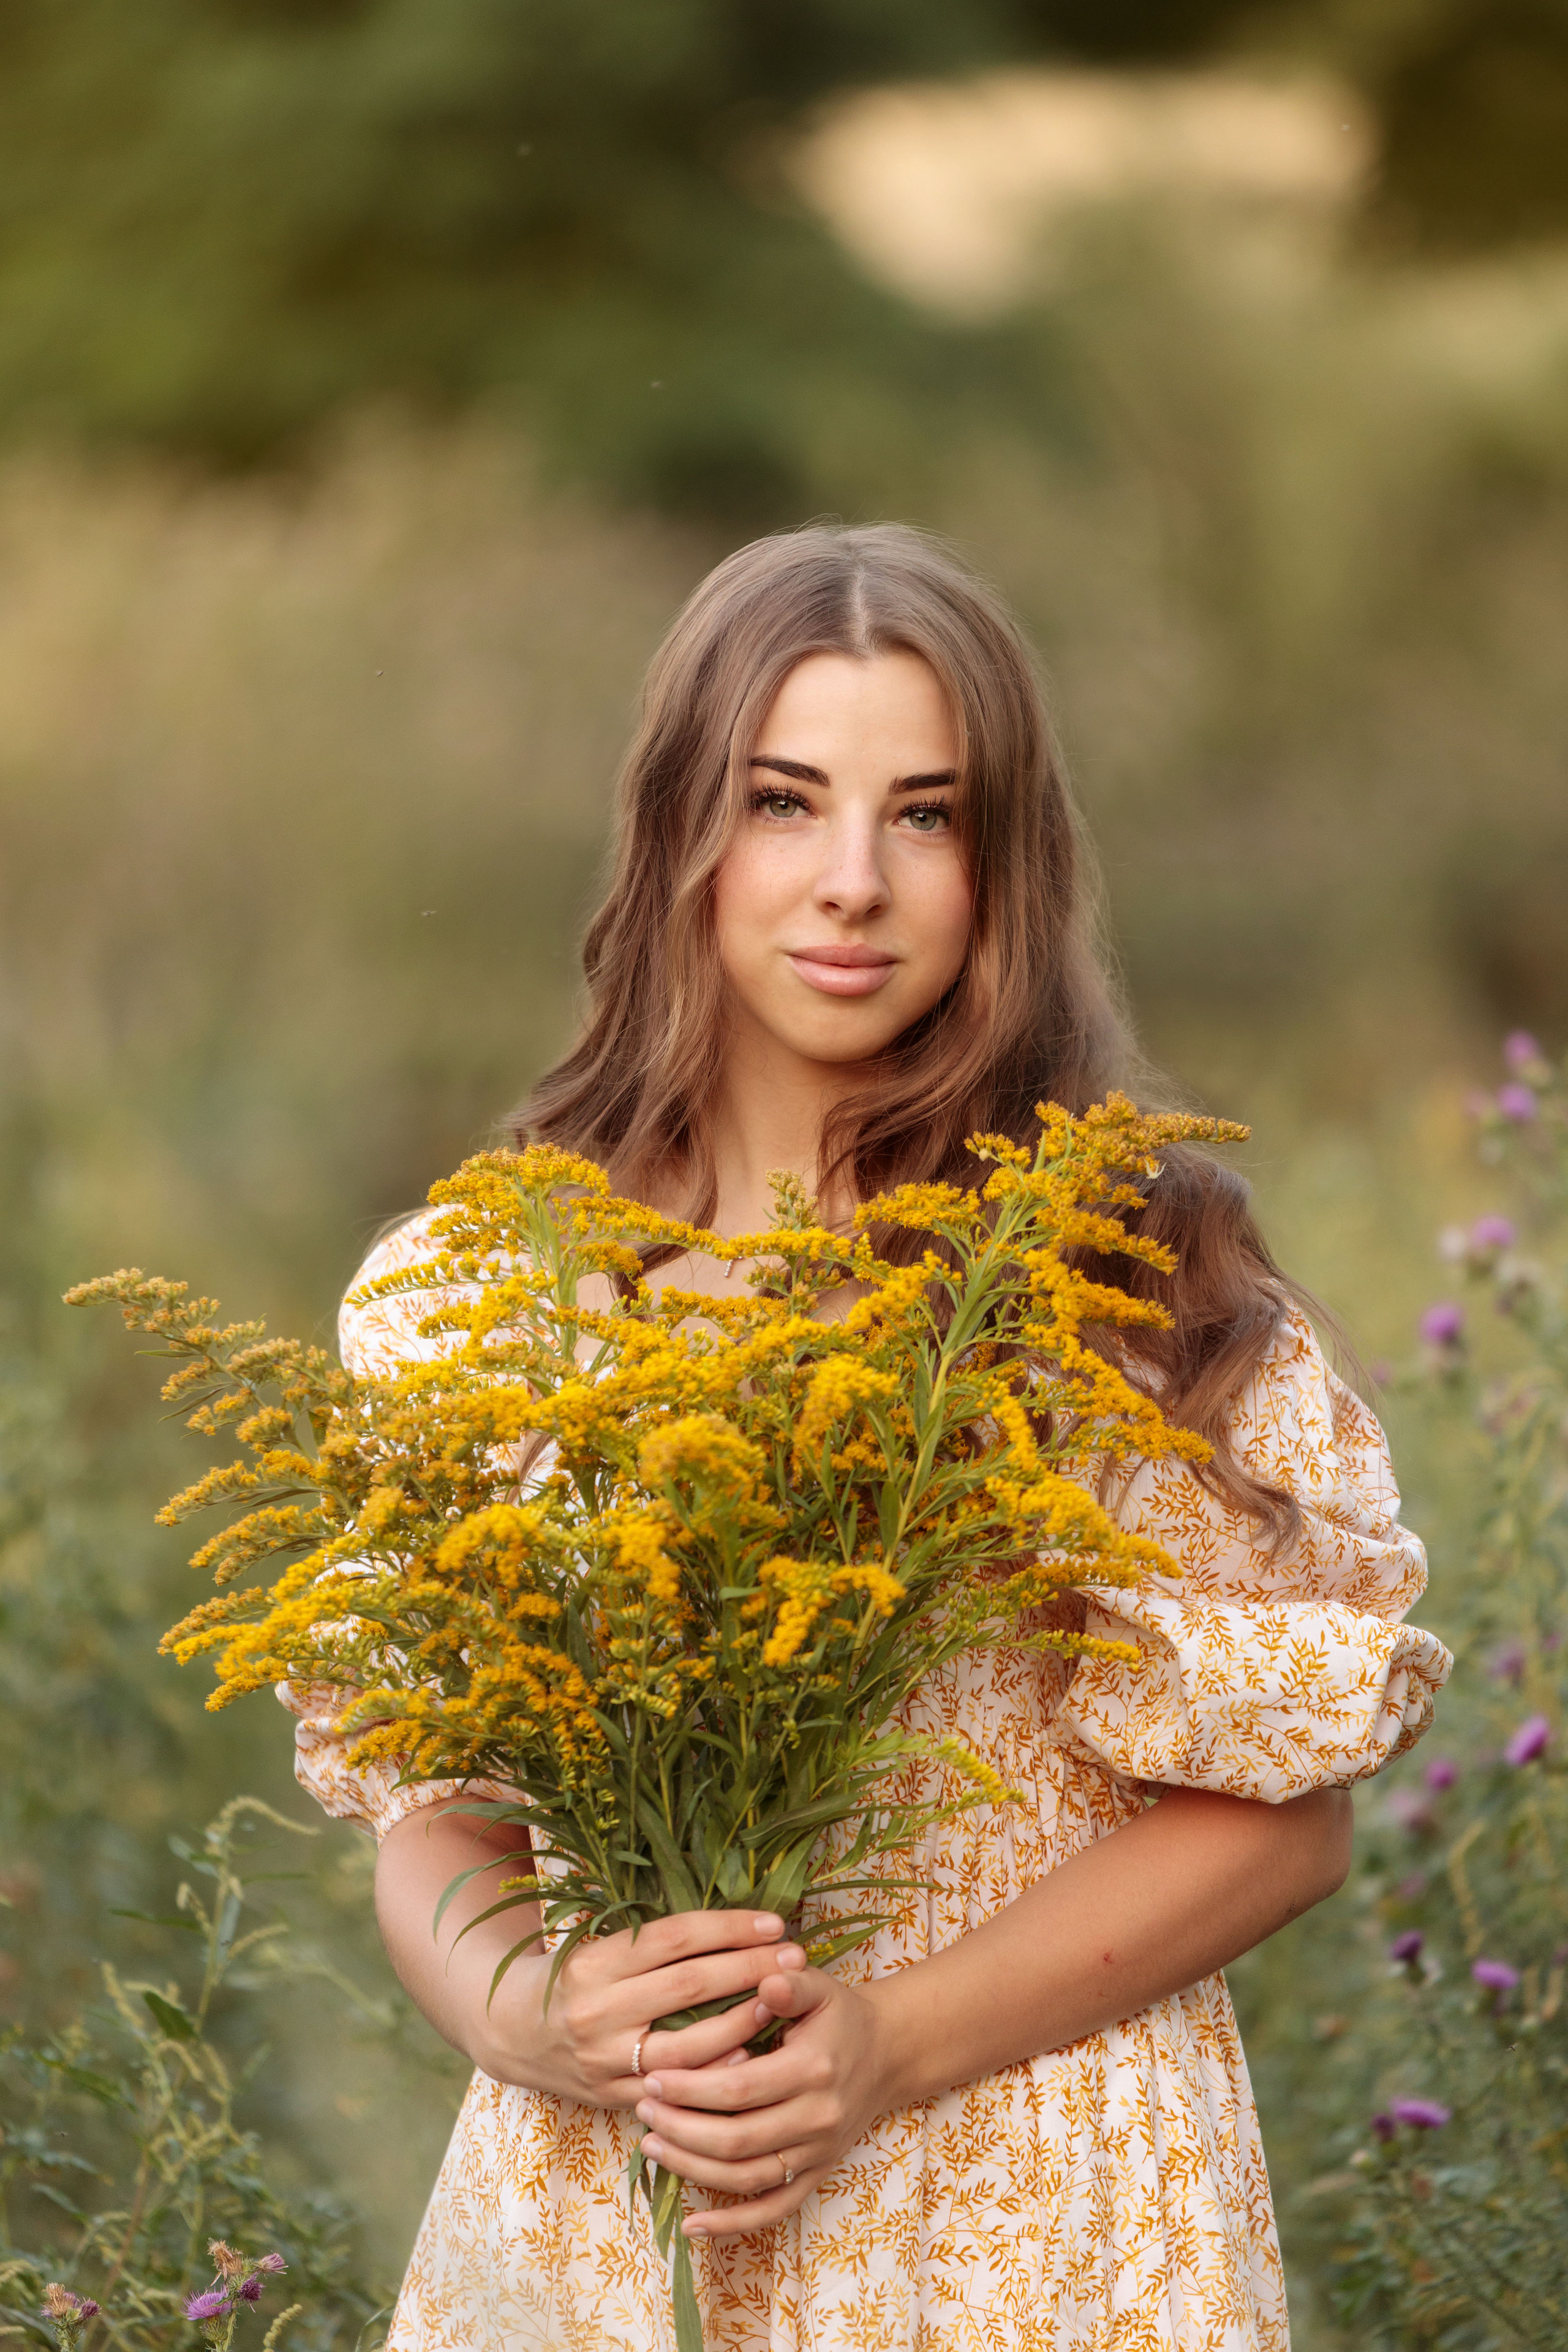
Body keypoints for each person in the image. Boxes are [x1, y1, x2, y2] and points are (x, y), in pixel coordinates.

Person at [284, 524, 1450, 2351]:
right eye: (782, 800)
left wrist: (888, 2044)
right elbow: (435, 1816)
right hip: (610, 2208)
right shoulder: (474, 1303)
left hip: (1042, 2216)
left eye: (927, 814)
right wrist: (537, 2016)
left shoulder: (1123, 1282)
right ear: (682, 830)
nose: (851, 882)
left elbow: (1284, 1825)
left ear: (1006, 866)